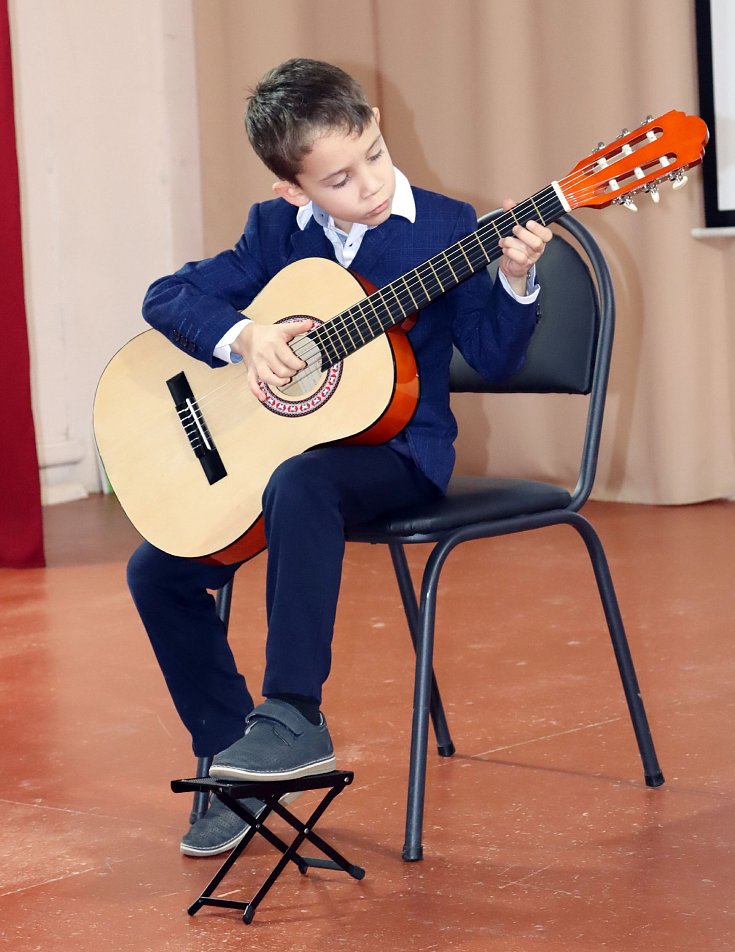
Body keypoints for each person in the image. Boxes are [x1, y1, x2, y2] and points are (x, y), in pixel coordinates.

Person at [127, 57, 551, 858]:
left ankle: (292, 714)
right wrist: (247, 336)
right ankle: (237, 763)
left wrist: (514, 274)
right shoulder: (274, 232)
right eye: (338, 180)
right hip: (284, 457)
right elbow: (166, 297)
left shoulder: (447, 228)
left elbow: (495, 357)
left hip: (398, 453)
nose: (371, 186)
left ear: (377, 125)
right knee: (156, 571)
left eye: (373, 157)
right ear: (294, 190)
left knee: (302, 483)